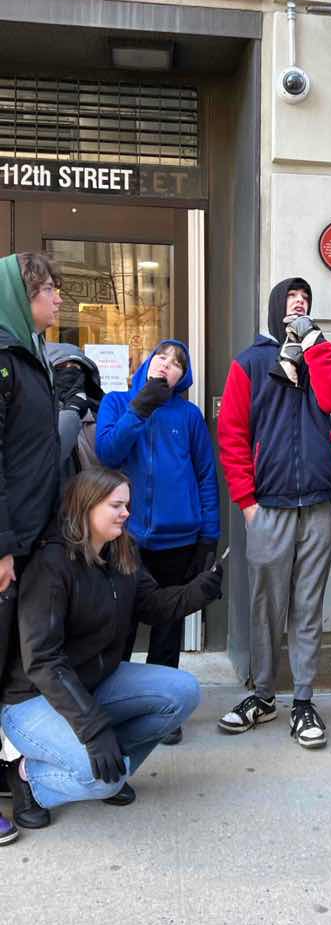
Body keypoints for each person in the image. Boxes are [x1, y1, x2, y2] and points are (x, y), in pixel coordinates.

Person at [0, 467, 223, 829]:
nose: (126, 513)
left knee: (183, 691)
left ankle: (110, 769)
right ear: (86, 507)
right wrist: (94, 730)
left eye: (127, 505)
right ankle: (27, 777)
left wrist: (199, 591)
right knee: (101, 775)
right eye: (116, 505)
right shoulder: (51, 565)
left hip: (91, 682)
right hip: (33, 699)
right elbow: (42, 661)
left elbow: (152, 605)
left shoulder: (121, 551)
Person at [217, 277, 331, 748]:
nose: (300, 305)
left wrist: (316, 344)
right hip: (268, 507)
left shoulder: (321, 358)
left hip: (318, 504)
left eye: (306, 301)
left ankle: (303, 701)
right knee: (265, 607)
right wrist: (248, 504)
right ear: (276, 307)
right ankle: (261, 695)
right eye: (293, 300)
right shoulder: (252, 362)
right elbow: (232, 434)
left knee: (308, 607)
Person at [96, 339, 220, 744]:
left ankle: (164, 710)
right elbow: (108, 454)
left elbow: (205, 474)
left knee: (168, 628)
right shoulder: (118, 403)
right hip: (125, 537)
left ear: (183, 377)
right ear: (148, 362)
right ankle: (116, 705)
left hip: (179, 538)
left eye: (177, 363)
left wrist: (209, 533)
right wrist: (140, 408)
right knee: (120, 626)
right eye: (162, 357)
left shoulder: (189, 416)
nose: (168, 365)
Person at [0, 251, 63, 845]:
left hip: (33, 539)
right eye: (50, 289)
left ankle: (19, 777)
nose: (59, 299)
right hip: (6, 544)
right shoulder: (2, 356)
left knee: (22, 667)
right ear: (25, 296)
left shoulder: (30, 355)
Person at [46, 342, 104, 481]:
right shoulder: (36, 415)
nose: (70, 371)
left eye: (76, 367)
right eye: (61, 367)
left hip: (91, 497)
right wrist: (72, 411)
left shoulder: (101, 415)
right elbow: (47, 461)